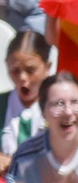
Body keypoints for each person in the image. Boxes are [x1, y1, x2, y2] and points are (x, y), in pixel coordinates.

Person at [0, 29, 50, 174]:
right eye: (15, 70)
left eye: (30, 70)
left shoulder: (59, 107)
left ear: (47, 67)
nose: (22, 77)